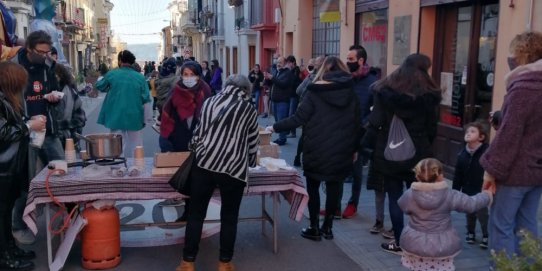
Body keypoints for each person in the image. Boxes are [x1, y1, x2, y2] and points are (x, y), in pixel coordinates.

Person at [267, 56, 360, 241]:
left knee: (314, 187)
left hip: (316, 147)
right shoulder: (351, 92)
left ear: (322, 71)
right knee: (334, 187)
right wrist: (355, 148)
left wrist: (274, 127)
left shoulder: (314, 91)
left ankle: (314, 227)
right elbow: (356, 123)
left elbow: (298, 118)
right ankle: (328, 227)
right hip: (341, 148)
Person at [176, 75, 259, 271]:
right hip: (233, 168)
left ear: (226, 86)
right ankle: (224, 263)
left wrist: (197, 147)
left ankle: (187, 262)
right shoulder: (248, 109)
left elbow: (197, 133)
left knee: (196, 214)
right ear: (246, 90)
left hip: (204, 165)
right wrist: (252, 163)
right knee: (229, 217)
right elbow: (253, 141)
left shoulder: (209, 102)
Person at [361, 53, 441, 254]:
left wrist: (363, 146)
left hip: (390, 152)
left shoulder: (385, 91)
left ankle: (399, 242)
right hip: (420, 153)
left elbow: (376, 121)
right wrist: (426, 145)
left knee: (395, 197)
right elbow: (432, 127)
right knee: (421, 200)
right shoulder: (429, 95)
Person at [480, 31, 542, 262]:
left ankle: (503, 268)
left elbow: (510, 135)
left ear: (522, 54)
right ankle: (530, 267)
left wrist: (491, 171)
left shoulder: (524, 87)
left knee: (501, 225)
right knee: (527, 226)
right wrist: (501, 117)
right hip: (537, 171)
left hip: (515, 171)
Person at [11, 30, 64, 245]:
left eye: (47, 52)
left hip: (48, 131)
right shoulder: (13, 68)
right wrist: (25, 122)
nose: (44, 56)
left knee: (62, 173)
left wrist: (55, 97)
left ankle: (65, 218)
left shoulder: (49, 66)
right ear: (28, 49)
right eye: (40, 52)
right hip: (25, 133)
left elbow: (57, 91)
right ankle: (20, 224)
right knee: (27, 181)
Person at [399, 158, 492, 270]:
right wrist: (487, 195)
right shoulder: (449, 195)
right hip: (441, 245)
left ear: (417, 176)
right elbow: (471, 204)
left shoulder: (410, 195)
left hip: (415, 242)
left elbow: (403, 207)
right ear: (440, 176)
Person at [0, 62, 39, 271]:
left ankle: (10, 249)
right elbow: (3, 133)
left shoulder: (7, 100)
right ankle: (4, 257)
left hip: (12, 166)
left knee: (5, 212)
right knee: (1, 213)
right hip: (3, 167)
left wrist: (27, 121)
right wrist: (28, 126)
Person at [158, 61, 211, 210]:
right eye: (185, 74)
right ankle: (186, 211)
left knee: (196, 183)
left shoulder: (205, 91)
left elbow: (211, 119)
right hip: (177, 142)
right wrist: (166, 142)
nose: (188, 78)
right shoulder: (175, 90)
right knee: (180, 179)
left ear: (198, 76)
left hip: (200, 144)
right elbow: (166, 117)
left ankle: (192, 212)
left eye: (192, 74)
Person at [341, 45, 378, 219]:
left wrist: (364, 124)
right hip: (343, 130)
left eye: (351, 59)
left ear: (361, 61)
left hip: (360, 133)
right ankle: (334, 204)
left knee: (356, 171)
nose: (347, 62)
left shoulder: (372, 82)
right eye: (347, 59)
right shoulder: (347, 79)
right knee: (338, 168)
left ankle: (352, 204)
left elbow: (374, 111)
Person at [95, 50, 151, 157]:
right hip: (134, 116)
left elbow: (100, 86)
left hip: (115, 116)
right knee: (136, 145)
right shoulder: (140, 77)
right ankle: (136, 167)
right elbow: (146, 100)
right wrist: (145, 119)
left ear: (120, 61)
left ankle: (118, 167)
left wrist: (100, 78)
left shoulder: (112, 74)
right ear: (132, 62)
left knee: (116, 145)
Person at [452, 121, 489, 249]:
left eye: (472, 131)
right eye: (467, 131)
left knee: (482, 214)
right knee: (470, 213)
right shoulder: (462, 154)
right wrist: (455, 191)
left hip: (481, 189)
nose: (468, 133)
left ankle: (486, 234)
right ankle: (471, 232)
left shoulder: (486, 152)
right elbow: (458, 175)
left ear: (481, 137)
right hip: (468, 189)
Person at [293, 56, 324, 167]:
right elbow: (299, 90)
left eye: (316, 63)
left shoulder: (311, 76)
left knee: (305, 135)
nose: (314, 65)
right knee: (311, 135)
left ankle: (298, 157)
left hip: (305, 109)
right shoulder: (318, 78)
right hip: (314, 111)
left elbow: (299, 91)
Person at [53, 64, 86, 151]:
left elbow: (81, 118)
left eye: (57, 74)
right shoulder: (46, 94)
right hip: (51, 139)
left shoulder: (70, 92)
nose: (55, 77)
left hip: (69, 137)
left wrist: (66, 127)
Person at [264, 56, 295, 146]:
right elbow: (271, 84)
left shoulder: (287, 73)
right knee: (277, 120)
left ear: (285, 63)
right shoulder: (276, 72)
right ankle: (282, 136)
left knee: (281, 120)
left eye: (280, 62)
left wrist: (272, 78)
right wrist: (267, 78)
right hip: (275, 100)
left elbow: (283, 84)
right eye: (277, 62)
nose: (278, 64)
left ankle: (282, 138)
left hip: (283, 101)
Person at [155, 57, 179, 129]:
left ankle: (160, 122)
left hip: (160, 103)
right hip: (168, 105)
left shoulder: (160, 78)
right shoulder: (174, 79)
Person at [286, 55, 302, 138]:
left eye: (289, 63)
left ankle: (293, 132)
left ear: (293, 63)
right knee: (290, 113)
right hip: (291, 94)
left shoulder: (296, 70)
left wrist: (289, 72)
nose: (288, 64)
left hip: (294, 95)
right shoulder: (292, 70)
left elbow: (293, 80)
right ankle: (290, 131)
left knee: (292, 114)